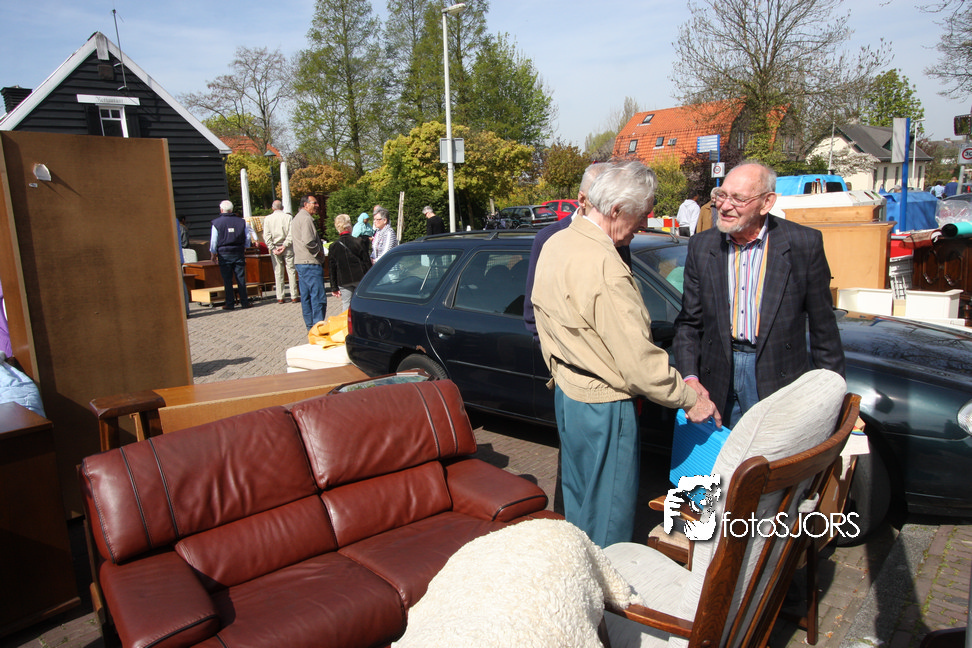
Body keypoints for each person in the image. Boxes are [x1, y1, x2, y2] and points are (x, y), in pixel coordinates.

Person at [531, 160, 719, 547]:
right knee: (608, 522)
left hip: (568, 394)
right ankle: (605, 585)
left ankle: (580, 576)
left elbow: (540, 318)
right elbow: (641, 365)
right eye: (642, 214)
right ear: (616, 210)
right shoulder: (604, 264)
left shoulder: (556, 243)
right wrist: (690, 399)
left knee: (580, 507)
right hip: (603, 405)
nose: (643, 224)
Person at [672, 161, 845, 429]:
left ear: (767, 203)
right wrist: (690, 379)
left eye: (738, 199)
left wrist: (832, 396)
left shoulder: (803, 244)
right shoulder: (701, 245)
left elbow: (824, 328)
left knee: (768, 454)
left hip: (776, 377)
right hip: (716, 377)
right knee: (718, 456)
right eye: (721, 195)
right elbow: (689, 323)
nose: (725, 206)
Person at [523, 162, 607, 342]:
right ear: (582, 200)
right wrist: (553, 351)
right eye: (601, 206)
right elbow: (532, 312)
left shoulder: (617, 241)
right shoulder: (547, 238)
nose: (607, 215)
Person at [209, 200, 254, 310]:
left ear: (221, 210)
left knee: (227, 279)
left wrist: (213, 253)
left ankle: (230, 303)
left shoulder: (216, 223)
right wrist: (245, 247)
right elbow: (248, 237)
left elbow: (214, 240)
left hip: (224, 253)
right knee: (241, 278)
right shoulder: (242, 222)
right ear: (232, 209)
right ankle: (244, 302)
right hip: (238, 251)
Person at [292, 195, 328, 330]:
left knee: (306, 297)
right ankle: (317, 327)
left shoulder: (297, 218)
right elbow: (308, 241)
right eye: (314, 203)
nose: (317, 205)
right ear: (306, 204)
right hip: (310, 263)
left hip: (301, 262)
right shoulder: (306, 219)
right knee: (318, 297)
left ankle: (310, 327)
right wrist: (319, 252)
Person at [329, 213, 372, 310]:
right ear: (349, 226)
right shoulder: (359, 242)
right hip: (359, 278)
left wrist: (334, 287)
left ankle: (346, 319)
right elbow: (366, 262)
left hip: (343, 280)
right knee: (361, 303)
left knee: (346, 304)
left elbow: (332, 268)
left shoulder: (333, 246)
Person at [263, 200, 300, 304]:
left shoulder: (268, 219)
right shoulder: (288, 217)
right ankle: (294, 295)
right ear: (282, 207)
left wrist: (272, 248)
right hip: (287, 247)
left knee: (278, 272)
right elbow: (291, 233)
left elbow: (266, 235)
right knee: (291, 271)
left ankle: (280, 296)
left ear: (273, 208)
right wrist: (285, 245)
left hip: (275, 246)